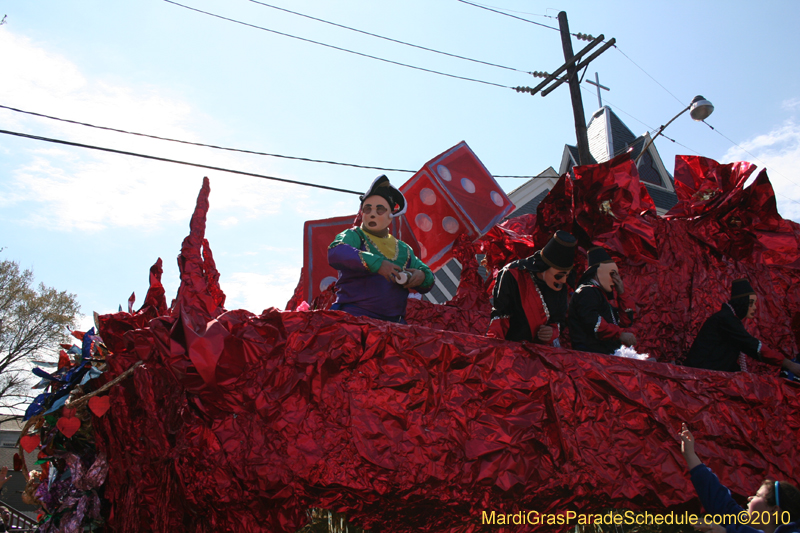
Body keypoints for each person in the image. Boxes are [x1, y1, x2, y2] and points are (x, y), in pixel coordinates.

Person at [328, 175, 434, 323]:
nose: (372, 214)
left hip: (393, 326)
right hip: (354, 321)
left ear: (390, 216)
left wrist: (421, 277)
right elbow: (335, 252)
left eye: (380, 210)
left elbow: (429, 277)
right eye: (367, 208)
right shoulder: (354, 235)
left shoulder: (404, 249)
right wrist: (378, 264)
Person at [679, 423, 800, 533]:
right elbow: (718, 498)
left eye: (758, 496)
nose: (749, 498)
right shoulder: (740, 523)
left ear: (774, 511)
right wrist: (690, 454)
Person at [684, 279, 800, 375]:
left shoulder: (727, 318)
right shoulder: (725, 319)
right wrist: (788, 364)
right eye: (751, 303)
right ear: (742, 302)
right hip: (701, 376)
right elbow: (751, 345)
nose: (754, 308)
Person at [487, 230, 577, 345]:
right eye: (560, 275)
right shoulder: (513, 275)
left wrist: (552, 331)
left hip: (541, 352)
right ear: (545, 268)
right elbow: (500, 317)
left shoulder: (561, 286)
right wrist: (493, 349)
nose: (564, 280)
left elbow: (559, 320)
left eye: (567, 276)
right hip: (512, 348)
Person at [568, 246, 637, 354]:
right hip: (590, 356)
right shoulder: (586, 292)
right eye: (612, 274)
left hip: (604, 356)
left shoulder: (600, 296)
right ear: (597, 272)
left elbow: (625, 321)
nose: (615, 279)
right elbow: (593, 322)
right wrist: (620, 334)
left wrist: (622, 293)